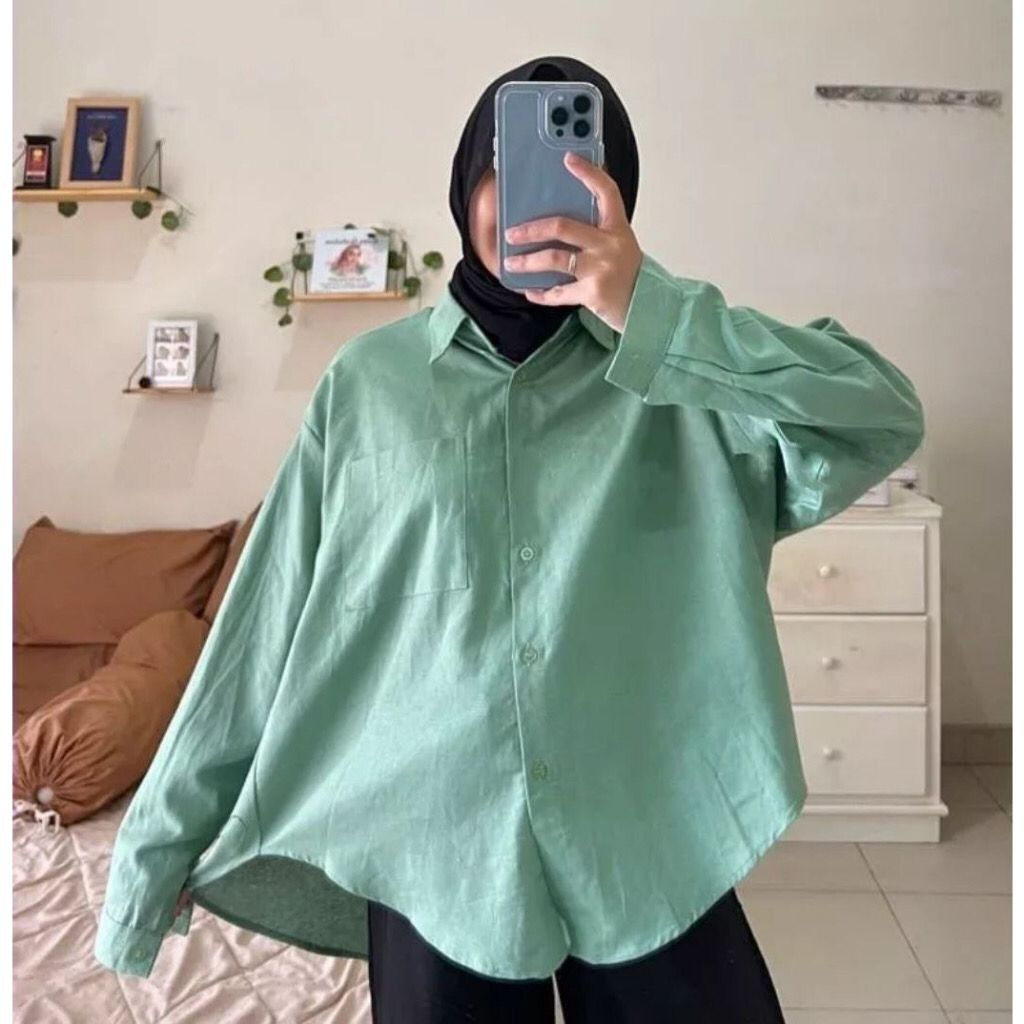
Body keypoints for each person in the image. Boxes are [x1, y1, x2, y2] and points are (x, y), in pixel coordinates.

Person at [94, 55, 925, 1024]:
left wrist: (652, 313)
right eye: (503, 168)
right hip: (430, 850)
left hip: (652, 835)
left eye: (580, 169)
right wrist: (156, 849)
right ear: (463, 188)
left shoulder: (691, 378)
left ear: (619, 197)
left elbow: (882, 414)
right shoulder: (369, 387)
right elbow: (261, 623)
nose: (529, 202)